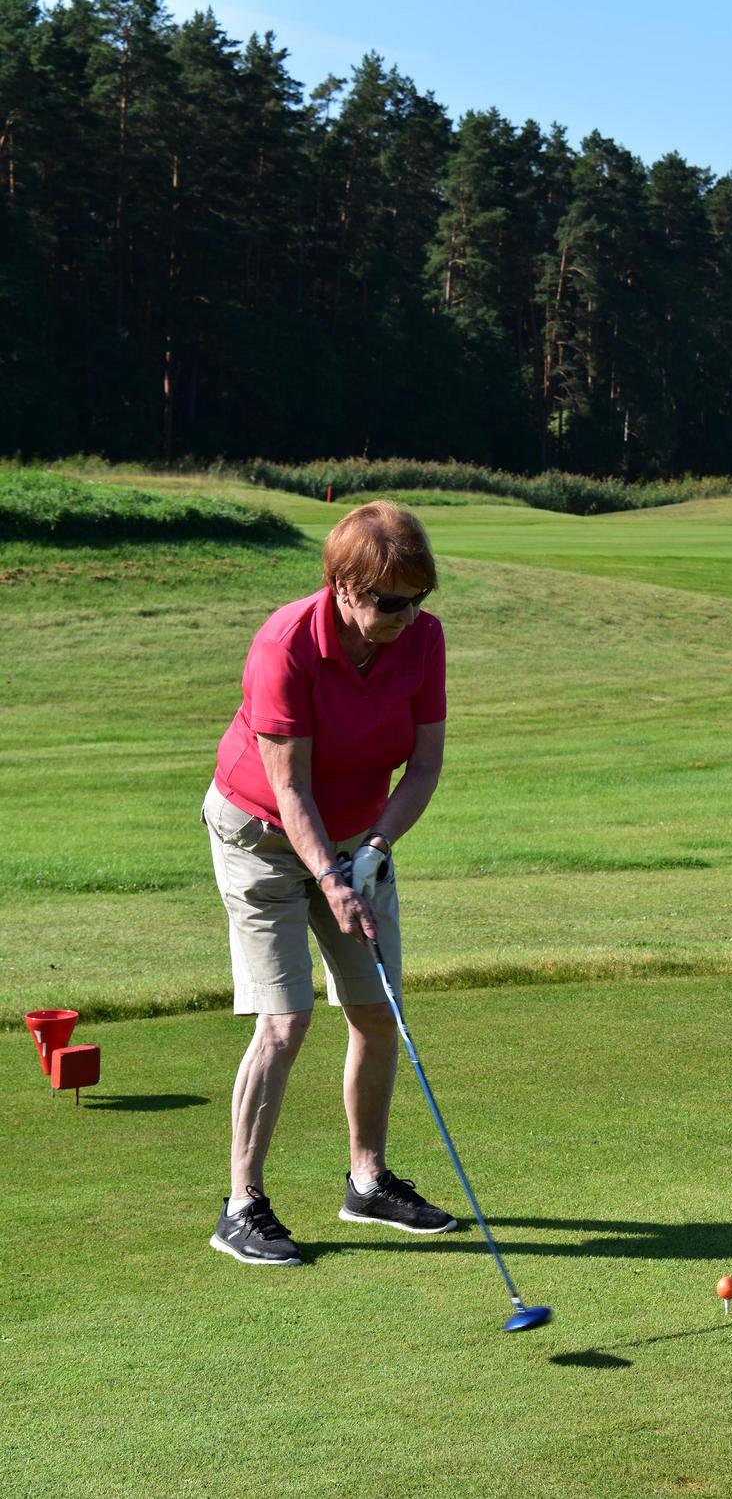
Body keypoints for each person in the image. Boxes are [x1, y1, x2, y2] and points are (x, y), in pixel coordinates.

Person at [203, 500, 456, 1266]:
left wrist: (375, 847)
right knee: (285, 1020)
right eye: (390, 602)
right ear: (344, 587)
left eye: (418, 599)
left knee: (377, 1012)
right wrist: (330, 878)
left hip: (356, 837)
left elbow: (425, 766)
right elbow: (290, 787)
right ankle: (241, 1206)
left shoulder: (422, 639)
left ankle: (367, 1182)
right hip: (261, 835)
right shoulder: (286, 644)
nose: (407, 616)